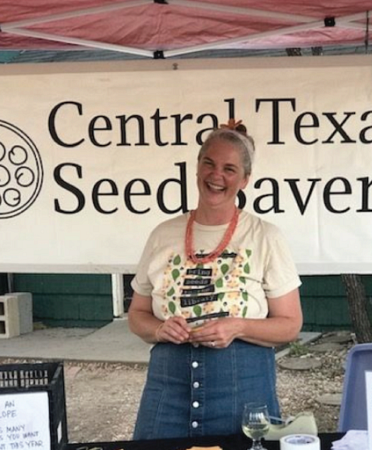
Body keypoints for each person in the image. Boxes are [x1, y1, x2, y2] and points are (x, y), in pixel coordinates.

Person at [129, 119, 302, 439]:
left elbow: (290, 325)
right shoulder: (162, 234)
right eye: (208, 163)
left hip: (244, 392)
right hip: (168, 391)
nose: (216, 175)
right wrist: (158, 328)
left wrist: (238, 326)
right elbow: (137, 315)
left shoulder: (265, 236)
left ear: (245, 179)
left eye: (229, 168)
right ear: (196, 168)